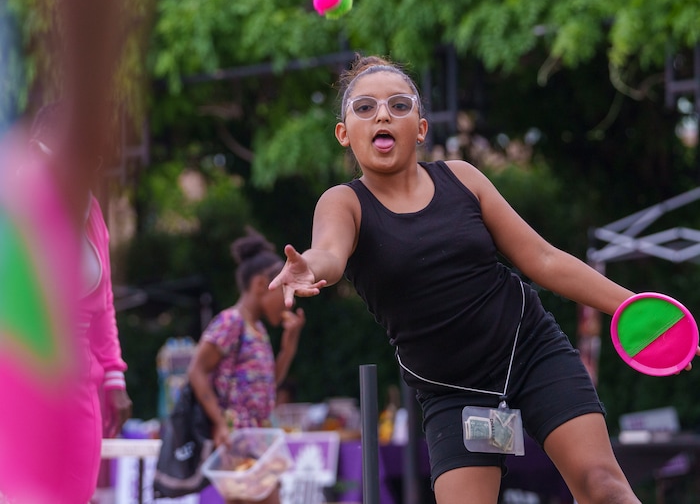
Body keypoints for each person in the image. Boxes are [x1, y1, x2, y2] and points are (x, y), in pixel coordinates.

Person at [268, 54, 691, 504]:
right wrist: (310, 267)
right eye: (365, 108)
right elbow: (329, 253)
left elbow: (544, 259)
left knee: (603, 486)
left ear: (422, 128)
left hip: (529, 350)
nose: (383, 114)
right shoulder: (344, 203)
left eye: (399, 104)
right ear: (343, 133)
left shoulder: (463, 178)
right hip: (451, 389)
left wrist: (642, 308)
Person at [0, 102, 133, 504]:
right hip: (18, 368)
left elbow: (103, 302)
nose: (95, 164)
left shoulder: (91, 210)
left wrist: (113, 376)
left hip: (78, 385)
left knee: (75, 493)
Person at [188, 228, 305, 504]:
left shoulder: (258, 330)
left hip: (257, 436)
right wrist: (219, 422)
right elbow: (196, 370)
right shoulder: (231, 322)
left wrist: (288, 349)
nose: (290, 301)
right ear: (262, 284)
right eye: (285, 289)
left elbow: (267, 385)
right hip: (237, 436)